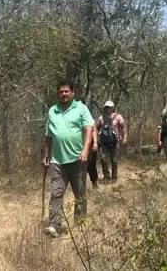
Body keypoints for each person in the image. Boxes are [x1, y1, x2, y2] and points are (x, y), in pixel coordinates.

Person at [42, 80, 94, 238]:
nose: (63, 94)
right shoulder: (52, 111)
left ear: (72, 93)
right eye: (60, 91)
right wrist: (46, 154)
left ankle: (80, 223)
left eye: (66, 91)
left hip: (77, 160)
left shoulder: (81, 109)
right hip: (57, 161)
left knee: (80, 193)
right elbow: (49, 135)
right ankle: (54, 225)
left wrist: (85, 150)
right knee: (56, 194)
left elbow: (88, 129)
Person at [94, 100, 127, 184]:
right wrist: (96, 139)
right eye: (106, 107)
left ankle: (114, 177)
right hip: (104, 142)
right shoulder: (101, 118)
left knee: (114, 160)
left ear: (112, 108)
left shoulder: (118, 116)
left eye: (109, 107)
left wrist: (124, 138)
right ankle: (106, 176)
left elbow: (123, 127)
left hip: (115, 141)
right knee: (103, 159)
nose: (107, 109)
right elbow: (96, 128)